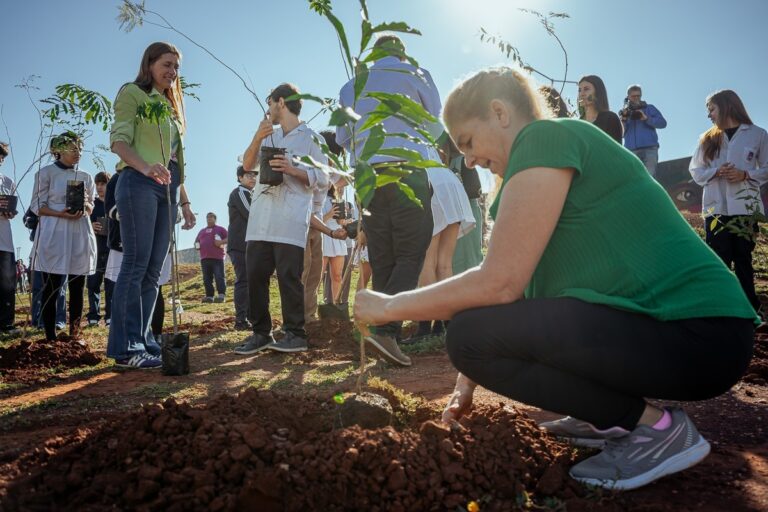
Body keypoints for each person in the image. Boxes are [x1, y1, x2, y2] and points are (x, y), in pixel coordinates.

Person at [354, 67, 757, 491]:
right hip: (689, 339)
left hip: (699, 335)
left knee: (466, 338)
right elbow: (507, 303)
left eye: (467, 142)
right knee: (475, 338)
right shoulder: (533, 172)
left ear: (499, 112)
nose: (467, 160)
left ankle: (656, 431)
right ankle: (606, 417)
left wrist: (387, 307)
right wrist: (465, 383)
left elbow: (498, 283)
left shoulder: (546, 137)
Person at [336, 35, 435, 367]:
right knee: (410, 252)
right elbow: (432, 122)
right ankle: (386, 330)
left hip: (367, 176)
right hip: (406, 167)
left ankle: (383, 334)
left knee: (383, 257)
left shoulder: (351, 86)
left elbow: (342, 138)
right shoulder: (416, 74)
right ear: (402, 54)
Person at [107, 41, 196, 369]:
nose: (172, 71)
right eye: (167, 64)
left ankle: (144, 340)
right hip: (138, 183)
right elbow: (118, 141)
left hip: (167, 191)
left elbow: (172, 160)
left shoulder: (170, 108)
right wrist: (145, 167)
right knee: (136, 264)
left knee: (152, 272)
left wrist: (184, 202)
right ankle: (126, 348)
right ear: (150, 64)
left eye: (176, 67)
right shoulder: (133, 93)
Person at [235, 83, 334, 355]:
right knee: (255, 274)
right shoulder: (269, 136)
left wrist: (293, 170)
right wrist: (257, 137)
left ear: (280, 102)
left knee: (290, 276)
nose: (268, 109)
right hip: (261, 216)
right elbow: (247, 166)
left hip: (291, 217)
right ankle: (260, 333)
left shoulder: (312, 139)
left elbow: (324, 179)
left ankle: (295, 333)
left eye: (270, 104)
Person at [689, 89, 768, 315]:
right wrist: (716, 172)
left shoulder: (758, 134)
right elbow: (696, 170)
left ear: (726, 106)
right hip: (716, 210)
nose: (709, 115)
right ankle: (720, 309)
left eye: (711, 109)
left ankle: (751, 311)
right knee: (719, 261)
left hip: (745, 208)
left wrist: (746, 175)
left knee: (744, 260)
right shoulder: (708, 138)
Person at [30, 132, 97, 341]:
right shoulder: (45, 173)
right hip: (54, 232)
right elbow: (36, 206)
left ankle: (75, 333)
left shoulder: (85, 176)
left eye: (80, 148)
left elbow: (91, 206)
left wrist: (85, 205)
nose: (78, 152)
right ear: (58, 150)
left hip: (79, 232)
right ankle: (50, 335)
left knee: (78, 283)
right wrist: (60, 213)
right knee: (52, 285)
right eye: (73, 148)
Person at [407, 141, 475, 341]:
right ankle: (445, 323)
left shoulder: (406, 137)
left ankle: (426, 325)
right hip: (450, 183)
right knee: (444, 263)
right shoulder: (426, 139)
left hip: (428, 183)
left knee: (427, 262)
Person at [228, 165, 256, 330]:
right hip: (239, 244)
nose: (253, 178)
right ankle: (240, 320)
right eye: (249, 175)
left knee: (251, 281)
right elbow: (251, 213)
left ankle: (250, 317)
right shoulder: (240, 193)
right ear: (240, 177)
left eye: (255, 175)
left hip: (250, 244)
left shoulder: (251, 193)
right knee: (243, 280)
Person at [620, 85, 667, 177]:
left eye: (638, 96)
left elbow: (663, 123)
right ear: (628, 97)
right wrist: (623, 120)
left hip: (649, 149)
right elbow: (621, 133)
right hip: (631, 151)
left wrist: (647, 118)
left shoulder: (649, 108)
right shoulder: (625, 112)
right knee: (632, 178)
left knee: (649, 177)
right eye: (634, 96)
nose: (637, 98)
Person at [86, 171, 113, 326]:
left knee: (110, 284)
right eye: (98, 184)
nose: (100, 187)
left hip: (111, 250)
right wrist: (91, 225)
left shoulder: (114, 204)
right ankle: (93, 316)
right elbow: (82, 224)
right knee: (93, 284)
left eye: (103, 184)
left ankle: (110, 316)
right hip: (94, 250)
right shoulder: (92, 205)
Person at [0, 141, 19, 334]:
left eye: (2, 157)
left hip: (4, 240)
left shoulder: (7, 182)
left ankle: (6, 323)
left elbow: (12, 207)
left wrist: (10, 213)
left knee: (6, 283)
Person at [578, 75, 622, 143]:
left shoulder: (610, 118)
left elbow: (615, 151)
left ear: (598, 92)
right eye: (579, 90)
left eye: (586, 89)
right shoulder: (578, 123)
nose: (581, 94)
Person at [195, 212, 228, 303]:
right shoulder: (202, 231)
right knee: (206, 278)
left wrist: (221, 242)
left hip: (217, 258)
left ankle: (221, 295)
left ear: (215, 219)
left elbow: (229, 238)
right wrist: (197, 245)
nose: (209, 218)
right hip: (204, 258)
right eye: (207, 217)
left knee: (219, 276)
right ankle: (209, 297)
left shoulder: (220, 229)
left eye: (211, 217)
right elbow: (196, 241)